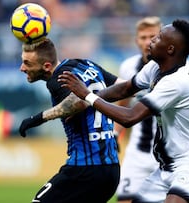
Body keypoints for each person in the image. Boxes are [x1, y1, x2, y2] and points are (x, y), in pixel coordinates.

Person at [59, 19, 189, 203]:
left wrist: (88, 95)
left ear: (170, 50)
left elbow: (130, 117)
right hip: (167, 166)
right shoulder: (156, 67)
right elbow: (124, 89)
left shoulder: (177, 82)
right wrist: (85, 102)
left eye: (158, 38)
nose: (151, 41)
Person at [114, 16, 189, 203]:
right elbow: (123, 103)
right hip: (138, 153)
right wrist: (115, 134)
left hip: (174, 154)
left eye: (154, 36)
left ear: (169, 45)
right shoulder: (130, 67)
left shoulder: (183, 70)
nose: (148, 41)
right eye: (143, 37)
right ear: (136, 40)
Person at [18, 38, 120, 203]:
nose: (22, 68)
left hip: (85, 169)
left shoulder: (58, 79)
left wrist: (36, 119)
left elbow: (77, 101)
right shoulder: (86, 64)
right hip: (111, 170)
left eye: (27, 63)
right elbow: (123, 87)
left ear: (46, 67)